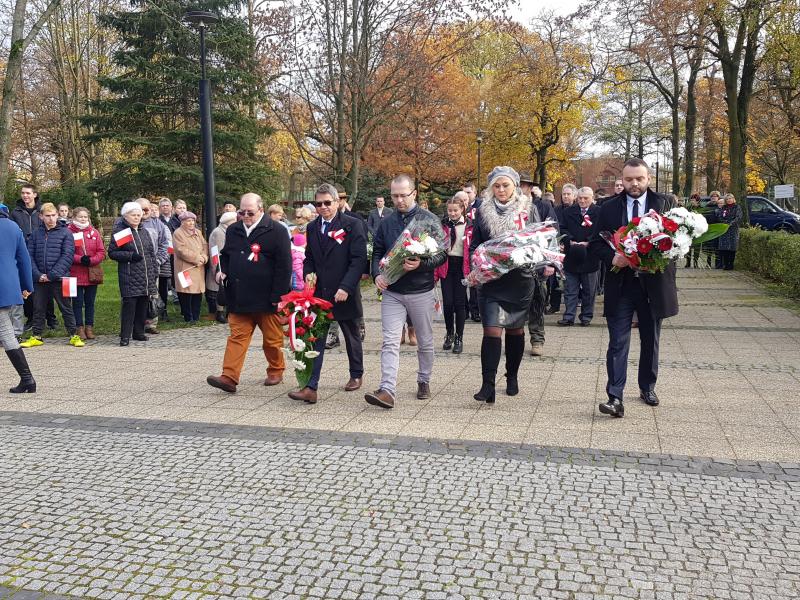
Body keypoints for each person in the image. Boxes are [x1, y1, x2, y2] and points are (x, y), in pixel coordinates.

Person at [589, 158, 678, 418]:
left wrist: (661, 256)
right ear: (622, 180)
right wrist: (612, 258)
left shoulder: (665, 204)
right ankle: (614, 396)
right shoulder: (607, 208)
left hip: (653, 284)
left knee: (651, 339)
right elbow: (595, 243)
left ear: (648, 178)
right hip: (622, 284)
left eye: (639, 178)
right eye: (629, 179)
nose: (634, 184)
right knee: (618, 341)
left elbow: (678, 241)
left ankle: (647, 387)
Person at [365, 174, 446, 409]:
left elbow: (441, 254)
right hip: (393, 291)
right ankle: (387, 389)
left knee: (425, 340)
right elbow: (377, 251)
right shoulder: (387, 222)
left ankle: (424, 379)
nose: (399, 200)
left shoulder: (428, 220)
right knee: (390, 341)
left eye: (403, 195)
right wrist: (377, 274)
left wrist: (421, 264)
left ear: (414, 194)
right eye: (394, 196)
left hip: (421, 290)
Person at [469, 167, 547, 404]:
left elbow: (538, 240)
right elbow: (475, 245)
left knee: (515, 330)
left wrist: (526, 256)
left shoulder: (528, 209)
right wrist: (478, 263)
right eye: (497, 186)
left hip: (520, 280)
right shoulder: (481, 211)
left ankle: (512, 376)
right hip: (491, 280)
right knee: (491, 329)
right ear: (491, 188)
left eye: (506, 185)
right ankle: (488, 385)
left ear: (515, 186)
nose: (501, 190)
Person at [288, 183, 368, 404]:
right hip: (320, 293)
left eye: (327, 203)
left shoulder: (352, 224)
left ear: (337, 202)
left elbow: (358, 260)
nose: (323, 207)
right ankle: (310, 386)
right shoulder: (313, 227)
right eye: (318, 203)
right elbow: (310, 257)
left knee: (351, 336)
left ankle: (356, 373)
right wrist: (308, 274)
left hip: (344, 291)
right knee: (316, 339)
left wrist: (346, 287)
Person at [206, 193, 292, 393]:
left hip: (266, 297)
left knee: (272, 339)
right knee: (237, 337)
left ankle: (276, 369)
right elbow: (226, 255)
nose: (245, 215)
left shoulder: (277, 230)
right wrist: (222, 271)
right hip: (239, 296)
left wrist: (277, 297)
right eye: (241, 212)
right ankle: (229, 376)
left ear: (261, 209)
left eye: (250, 212)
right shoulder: (234, 229)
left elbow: (284, 267)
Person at [19, 203, 83, 348]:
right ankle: (36, 335)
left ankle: (73, 335)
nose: (51, 219)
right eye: (47, 216)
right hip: (39, 279)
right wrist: (37, 274)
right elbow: (29, 256)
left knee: (66, 307)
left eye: (53, 215)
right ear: (41, 217)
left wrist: (52, 275)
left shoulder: (66, 233)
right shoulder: (35, 233)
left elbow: (67, 256)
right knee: (38, 307)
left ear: (57, 215)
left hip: (59, 278)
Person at [108, 202, 159, 346]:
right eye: (133, 215)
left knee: (143, 304)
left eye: (138, 215)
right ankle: (125, 335)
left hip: (146, 274)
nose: (137, 218)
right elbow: (113, 252)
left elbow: (150, 254)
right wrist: (130, 256)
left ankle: (138, 332)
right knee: (130, 305)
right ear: (125, 216)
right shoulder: (122, 231)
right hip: (130, 274)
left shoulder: (143, 231)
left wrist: (154, 271)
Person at [520, 171, 559, 357]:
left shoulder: (542, 206)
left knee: (538, 298)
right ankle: (515, 338)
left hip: (536, 261)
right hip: (514, 262)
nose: (521, 188)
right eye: (518, 184)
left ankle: (537, 338)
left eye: (524, 185)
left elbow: (551, 233)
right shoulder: (504, 208)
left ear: (530, 187)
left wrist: (550, 262)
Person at [326, 189, 369, 349]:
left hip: (351, 271)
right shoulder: (324, 220)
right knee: (331, 303)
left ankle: (360, 323)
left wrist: (364, 269)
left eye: (343, 198)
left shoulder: (355, 219)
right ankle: (333, 334)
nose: (341, 201)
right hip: (331, 272)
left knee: (354, 300)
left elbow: (363, 247)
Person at [0, 202, 36, 392]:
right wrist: (27, 285)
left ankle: (28, 379)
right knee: (6, 332)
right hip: (6, 287)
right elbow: (23, 258)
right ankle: (27, 379)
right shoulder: (13, 227)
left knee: (5, 332)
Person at [434, 193, 471, 354]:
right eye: (450, 210)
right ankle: (449, 333)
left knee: (460, 303)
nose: (453, 213)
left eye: (455, 210)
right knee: (448, 303)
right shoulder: (443, 225)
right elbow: (436, 248)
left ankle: (459, 337)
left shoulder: (470, 225)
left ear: (462, 209)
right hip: (447, 266)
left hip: (462, 267)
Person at [558, 187, 601, 327]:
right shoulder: (568, 211)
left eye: (586, 198)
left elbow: (601, 231)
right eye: (580, 198)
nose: (582, 201)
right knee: (571, 289)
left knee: (589, 290)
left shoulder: (599, 212)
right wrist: (569, 240)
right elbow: (562, 228)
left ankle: (586, 316)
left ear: (592, 197)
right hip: (572, 254)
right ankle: (569, 316)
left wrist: (588, 241)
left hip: (590, 255)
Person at [67, 207, 105, 340]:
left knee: (90, 302)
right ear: (74, 218)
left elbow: (101, 251)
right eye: (80, 217)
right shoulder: (68, 232)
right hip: (74, 273)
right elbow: (66, 252)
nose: (83, 219)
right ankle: (79, 327)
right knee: (77, 302)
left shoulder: (94, 232)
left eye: (85, 217)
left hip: (91, 273)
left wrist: (91, 260)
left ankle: (89, 326)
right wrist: (79, 259)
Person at [137, 198, 170, 333]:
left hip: (153, 267)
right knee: (135, 297)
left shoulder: (159, 225)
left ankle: (151, 324)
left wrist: (157, 261)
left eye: (147, 209)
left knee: (152, 295)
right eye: (141, 209)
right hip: (134, 268)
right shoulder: (128, 224)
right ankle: (136, 323)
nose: (144, 212)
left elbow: (165, 245)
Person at [172, 211, 208, 322]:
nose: (191, 223)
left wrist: (204, 257)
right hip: (185, 268)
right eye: (188, 221)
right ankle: (188, 317)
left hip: (198, 268)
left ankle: (196, 317)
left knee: (197, 292)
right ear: (182, 222)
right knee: (186, 292)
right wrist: (197, 258)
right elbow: (181, 250)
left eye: (192, 220)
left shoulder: (198, 232)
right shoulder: (178, 233)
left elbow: (204, 245)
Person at [206, 211, 236, 324]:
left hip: (227, 263)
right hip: (220, 263)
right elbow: (217, 251)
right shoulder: (219, 232)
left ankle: (226, 311)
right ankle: (219, 312)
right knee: (220, 287)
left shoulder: (227, 230)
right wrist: (217, 267)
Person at [462, 182, 482, 321]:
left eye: (469, 192)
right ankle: (464, 309)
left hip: (476, 246)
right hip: (462, 247)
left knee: (475, 280)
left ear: (475, 193)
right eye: (464, 192)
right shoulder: (459, 207)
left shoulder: (481, 207)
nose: (467, 195)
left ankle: (476, 311)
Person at [716, 193, 742, 270]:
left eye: (730, 198)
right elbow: (720, 217)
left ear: (733, 199)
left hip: (733, 229)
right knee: (724, 248)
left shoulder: (737, 207)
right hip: (724, 229)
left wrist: (731, 223)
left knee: (732, 248)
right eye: (727, 199)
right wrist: (725, 223)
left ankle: (731, 264)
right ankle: (726, 264)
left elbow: (738, 217)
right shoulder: (724, 208)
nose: (729, 200)